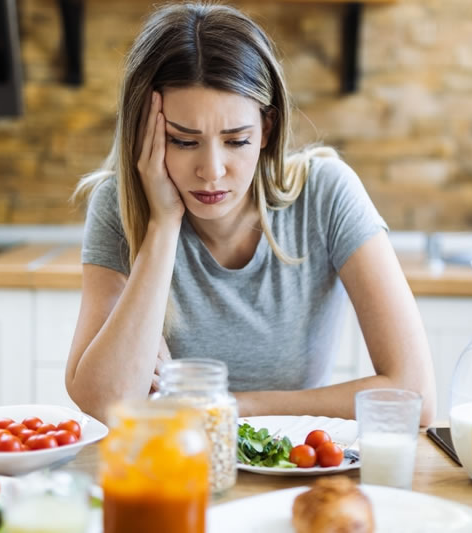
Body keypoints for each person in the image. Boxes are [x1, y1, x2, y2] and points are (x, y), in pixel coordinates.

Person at [65, 2, 436, 425]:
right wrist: (162, 227)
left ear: (267, 129)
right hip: (171, 470)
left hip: (294, 468)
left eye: (236, 140)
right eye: (183, 141)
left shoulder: (326, 193)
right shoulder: (119, 206)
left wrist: (227, 405)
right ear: (144, 133)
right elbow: (104, 403)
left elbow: (415, 395)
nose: (211, 171)